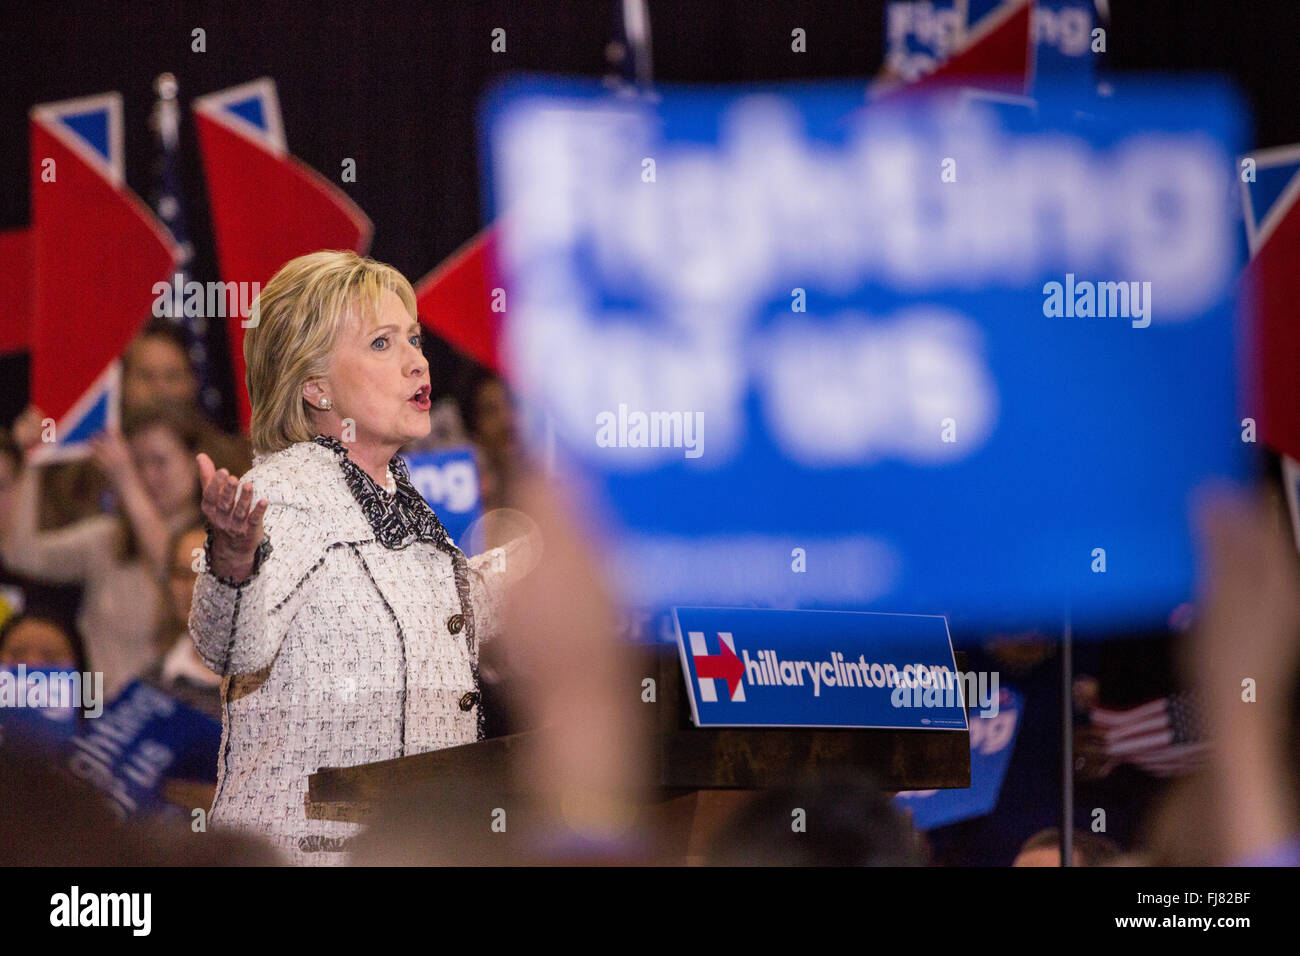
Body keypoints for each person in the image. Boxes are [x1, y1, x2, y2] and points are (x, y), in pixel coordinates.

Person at [188, 250, 523, 866]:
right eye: (381, 343)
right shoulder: (285, 495)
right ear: (315, 386)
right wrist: (233, 561)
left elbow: (460, 604)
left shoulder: (396, 501)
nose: (416, 360)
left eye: (414, 339)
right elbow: (231, 648)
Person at [1, 404, 203, 697]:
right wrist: (32, 460)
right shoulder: (107, 537)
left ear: (196, 464)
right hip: (98, 716)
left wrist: (126, 481)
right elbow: (21, 555)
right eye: (136, 463)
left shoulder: (217, 542)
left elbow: (171, 567)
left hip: (172, 717)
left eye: (159, 462)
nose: (146, 475)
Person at [138, 522, 222, 721]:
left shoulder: (275, 689)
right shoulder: (149, 689)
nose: (193, 588)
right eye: (183, 575)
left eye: (207, 575)